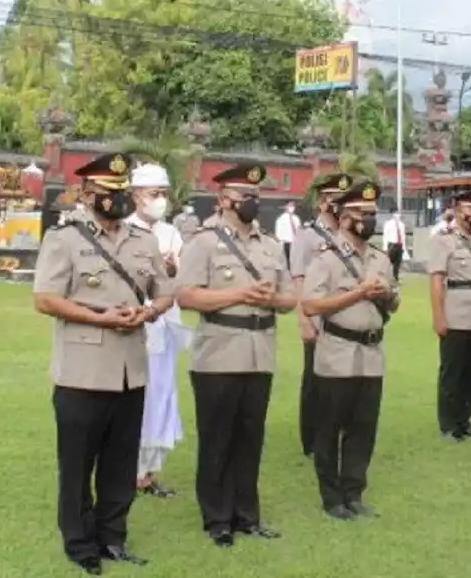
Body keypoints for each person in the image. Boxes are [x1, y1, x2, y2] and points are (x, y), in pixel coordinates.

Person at [32, 152, 170, 573]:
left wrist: (148, 312)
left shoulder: (143, 240)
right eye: (108, 192)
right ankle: (80, 544)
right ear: (87, 193)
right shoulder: (65, 238)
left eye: (121, 191)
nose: (117, 199)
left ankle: (113, 538)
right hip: (82, 371)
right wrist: (99, 317)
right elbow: (45, 298)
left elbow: (165, 291)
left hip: (130, 370)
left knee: (120, 462)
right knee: (77, 465)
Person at [176, 163, 296, 547]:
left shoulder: (270, 244)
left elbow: (291, 298)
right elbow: (187, 294)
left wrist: (272, 299)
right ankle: (217, 518)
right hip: (219, 351)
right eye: (245, 196)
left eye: (256, 196)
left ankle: (247, 515)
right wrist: (238, 295)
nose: (252, 202)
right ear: (224, 199)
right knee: (217, 440)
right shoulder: (204, 241)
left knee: (250, 438)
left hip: (259, 352)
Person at [300, 179, 398, 520]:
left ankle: (354, 492)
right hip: (337, 352)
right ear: (343, 218)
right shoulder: (326, 259)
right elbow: (311, 305)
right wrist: (358, 293)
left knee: (363, 429)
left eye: (372, 213)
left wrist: (386, 293)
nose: (369, 220)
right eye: (362, 214)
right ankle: (332, 497)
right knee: (329, 429)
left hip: (371, 354)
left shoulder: (380, 258)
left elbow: (394, 302)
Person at [126, 162, 190, 500]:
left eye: (164, 194)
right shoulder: (124, 232)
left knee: (163, 398)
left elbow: (183, 278)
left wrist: (170, 270)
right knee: (138, 400)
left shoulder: (171, 233)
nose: (159, 200)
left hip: (167, 327)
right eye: (154, 194)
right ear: (136, 196)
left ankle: (149, 472)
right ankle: (128, 470)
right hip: (135, 327)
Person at [289, 172, 353, 458]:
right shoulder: (307, 236)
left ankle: (337, 431)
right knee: (315, 380)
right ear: (325, 201)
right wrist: (304, 320)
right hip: (317, 315)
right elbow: (299, 279)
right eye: (336, 199)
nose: (341, 205)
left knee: (343, 379)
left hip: (344, 316)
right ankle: (311, 438)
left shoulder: (348, 236)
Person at [426, 188, 471, 441]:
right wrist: (438, 316)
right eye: (469, 208)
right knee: (453, 371)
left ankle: (465, 419)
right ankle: (449, 423)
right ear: (455, 209)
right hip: (457, 311)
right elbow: (436, 281)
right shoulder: (444, 240)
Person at [381, 210, 407, 280]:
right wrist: (385, 247)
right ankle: (387, 277)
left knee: (397, 263)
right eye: (396, 213)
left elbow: (403, 236)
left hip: (399, 245)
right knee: (389, 262)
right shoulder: (388, 224)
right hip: (392, 244)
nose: (397, 215)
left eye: (398, 213)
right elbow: (385, 235)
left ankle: (395, 277)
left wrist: (404, 247)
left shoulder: (402, 225)